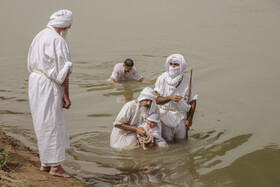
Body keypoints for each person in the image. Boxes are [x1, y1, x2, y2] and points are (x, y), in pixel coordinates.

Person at [27, 10, 73, 178]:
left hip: (35, 81)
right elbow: (64, 71)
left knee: (42, 120)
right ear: (65, 25)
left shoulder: (40, 35)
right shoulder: (57, 40)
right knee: (52, 122)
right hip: (48, 84)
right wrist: (66, 96)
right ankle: (56, 168)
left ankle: (45, 163)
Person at [154, 54, 198, 141]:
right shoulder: (161, 79)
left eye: (176, 64)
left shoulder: (187, 79)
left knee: (182, 143)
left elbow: (193, 101)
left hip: (181, 116)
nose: (173, 66)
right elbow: (157, 100)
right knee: (167, 142)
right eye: (171, 64)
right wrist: (170, 98)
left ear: (181, 66)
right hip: (164, 115)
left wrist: (189, 119)